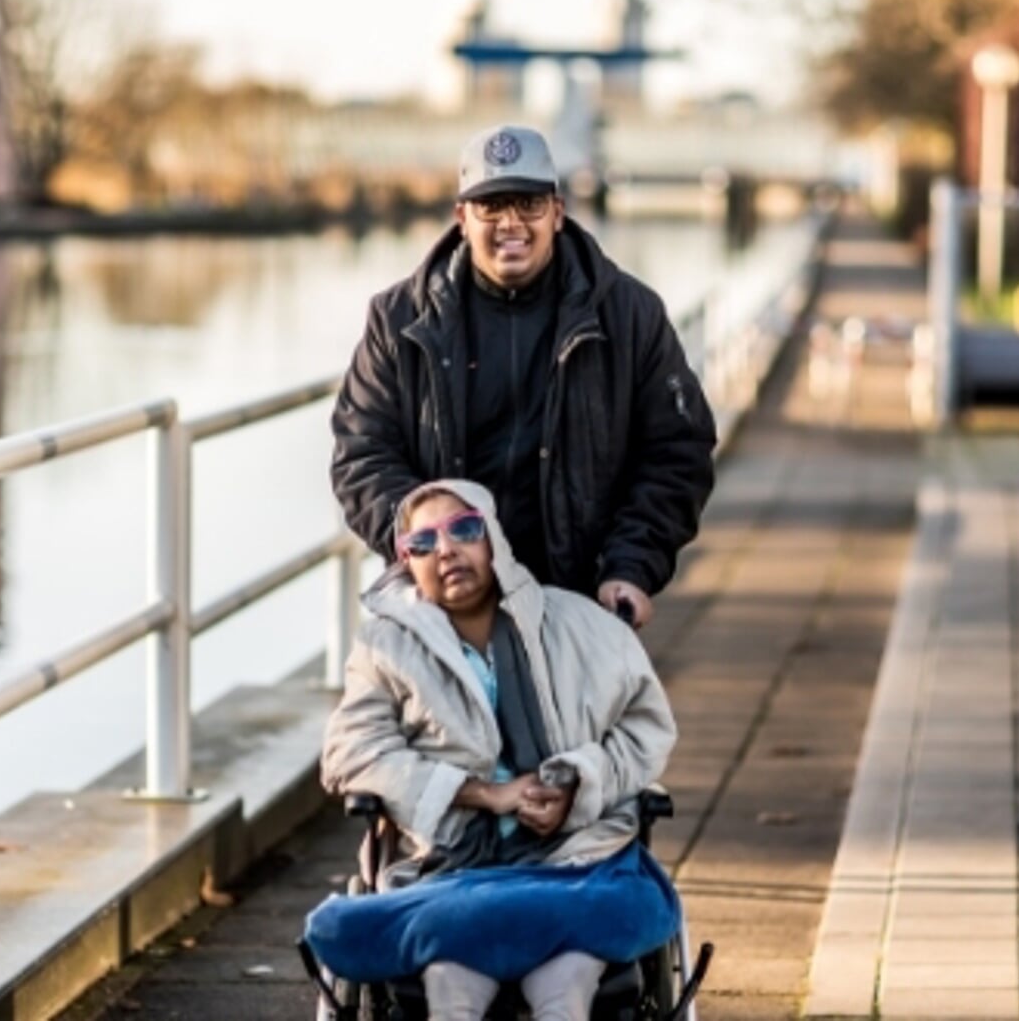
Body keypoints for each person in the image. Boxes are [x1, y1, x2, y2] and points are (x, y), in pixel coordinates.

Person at [307, 479, 679, 1021]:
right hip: (449, 871)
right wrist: (482, 793)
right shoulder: (384, 647)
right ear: (405, 562)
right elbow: (350, 752)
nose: (447, 550)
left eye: (463, 529)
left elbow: (647, 729)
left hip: (576, 864)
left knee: (566, 982)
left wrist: (577, 782)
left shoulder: (582, 625)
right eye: (424, 543)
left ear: (493, 539)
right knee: (451, 982)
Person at [329, 125, 716, 628]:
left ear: (557, 213)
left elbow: (676, 452)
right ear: (462, 218)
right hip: (444, 608)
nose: (511, 223)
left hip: (580, 604)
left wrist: (630, 566)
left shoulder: (631, 314)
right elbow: (362, 454)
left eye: (529, 205)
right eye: (492, 207)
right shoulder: (398, 320)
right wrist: (429, 547)